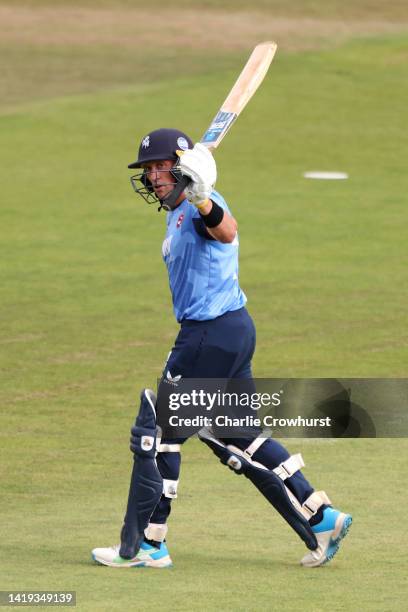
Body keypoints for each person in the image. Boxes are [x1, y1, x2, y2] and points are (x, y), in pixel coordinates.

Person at [92, 128, 352, 569]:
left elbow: (226, 232)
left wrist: (203, 198)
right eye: (148, 170)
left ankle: (150, 544)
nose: (153, 176)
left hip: (207, 336)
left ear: (180, 167)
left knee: (161, 436)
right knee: (241, 434)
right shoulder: (177, 209)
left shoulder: (201, 206)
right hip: (232, 331)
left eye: (159, 167)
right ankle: (321, 515)